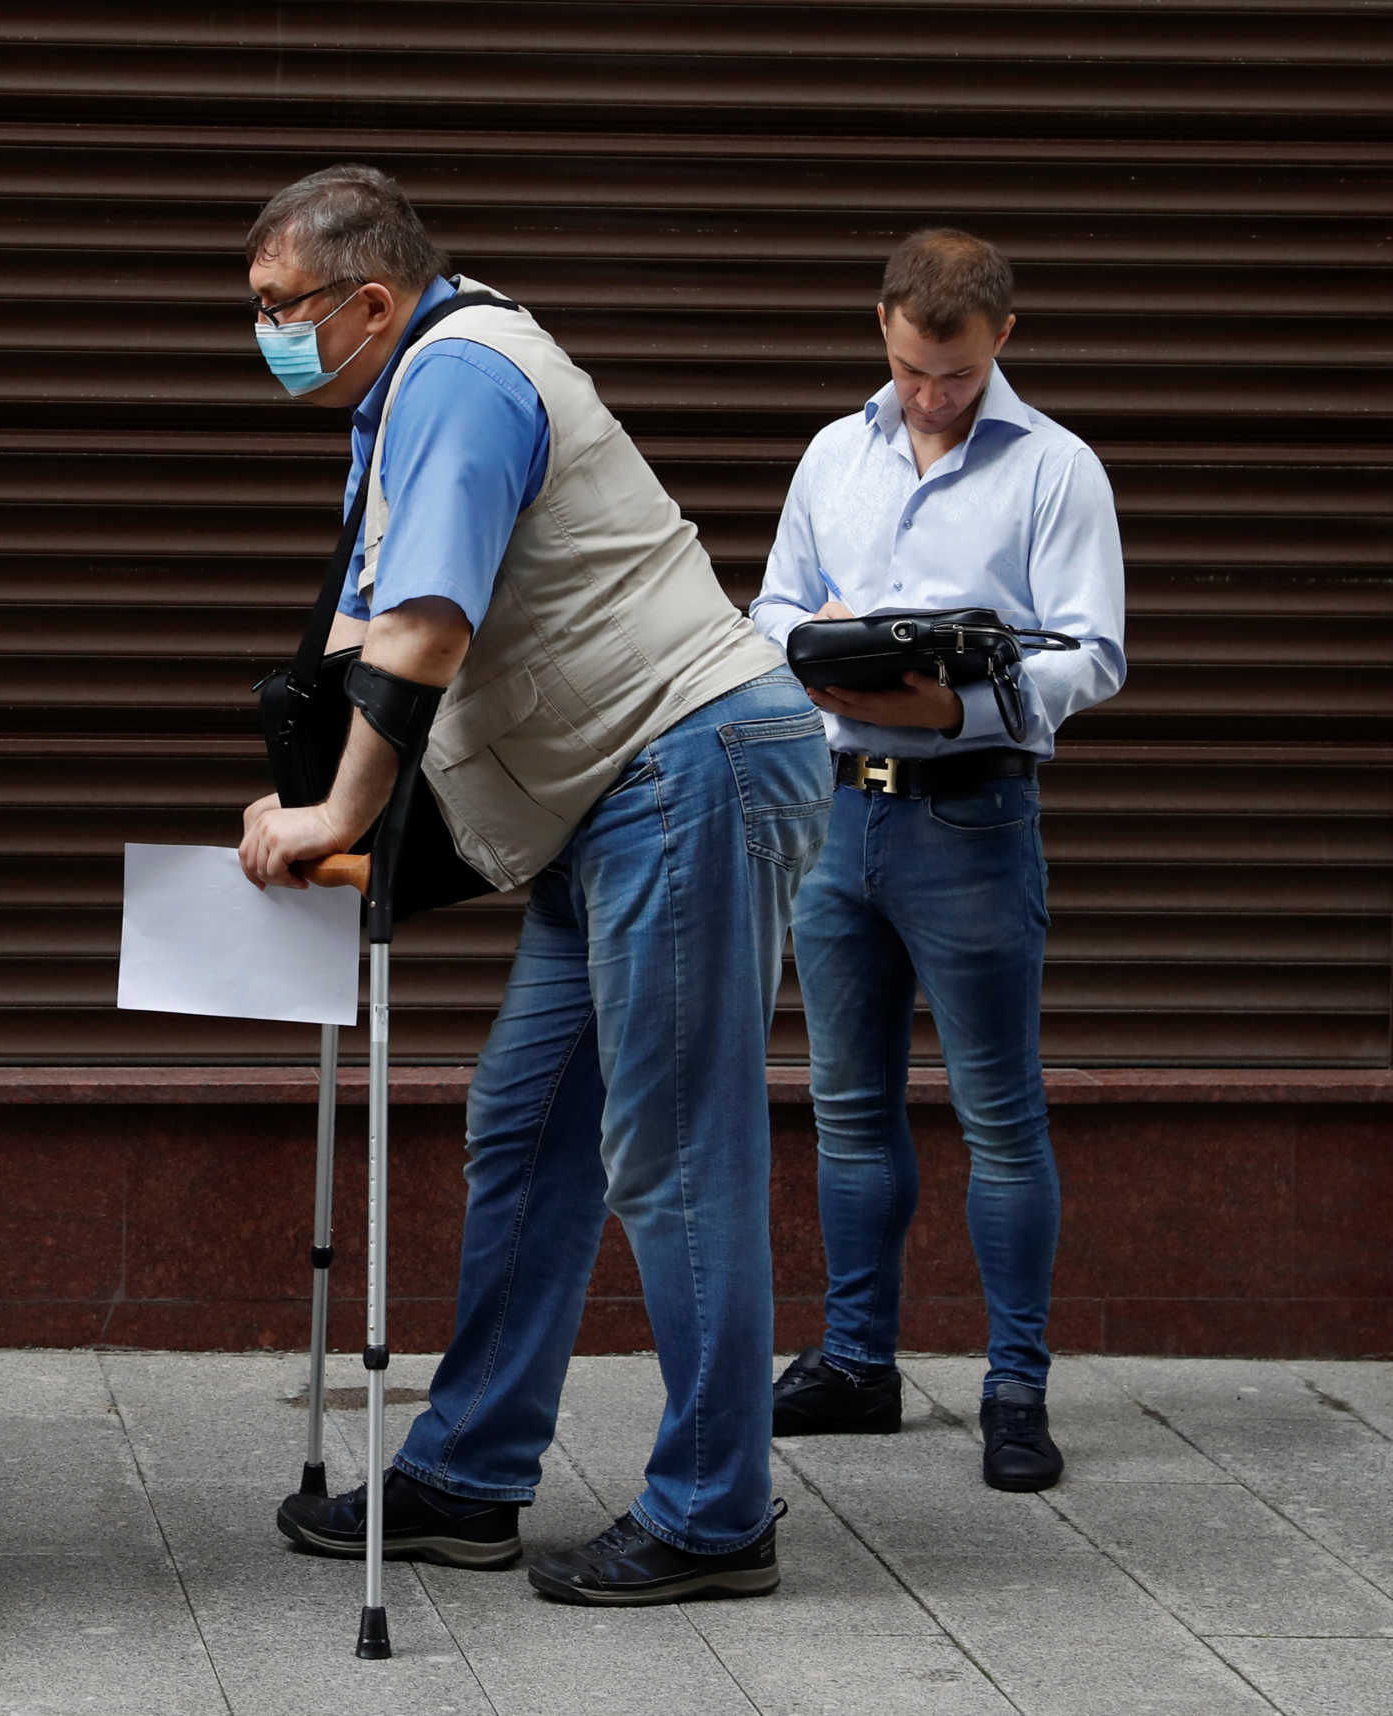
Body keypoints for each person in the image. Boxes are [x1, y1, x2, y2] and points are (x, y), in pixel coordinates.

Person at [239, 165, 831, 1605]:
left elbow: (428, 628)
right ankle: (470, 1475)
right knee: (529, 1120)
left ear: (369, 301)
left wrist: (335, 816)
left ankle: (714, 1513)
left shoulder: (457, 376)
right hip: (612, 795)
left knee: (675, 1154)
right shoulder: (414, 384)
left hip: (684, 767)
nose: (263, 335)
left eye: (280, 309)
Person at [753, 229, 1126, 1492]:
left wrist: (957, 707)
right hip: (833, 816)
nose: (929, 396)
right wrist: (823, 636)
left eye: (955, 374)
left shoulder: (1056, 470)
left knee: (999, 1117)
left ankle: (1014, 1388)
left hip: (970, 813)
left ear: (1001, 340)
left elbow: (1092, 653)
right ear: (882, 328)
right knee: (848, 1107)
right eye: (912, 369)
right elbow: (767, 608)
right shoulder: (829, 451)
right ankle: (857, 1363)